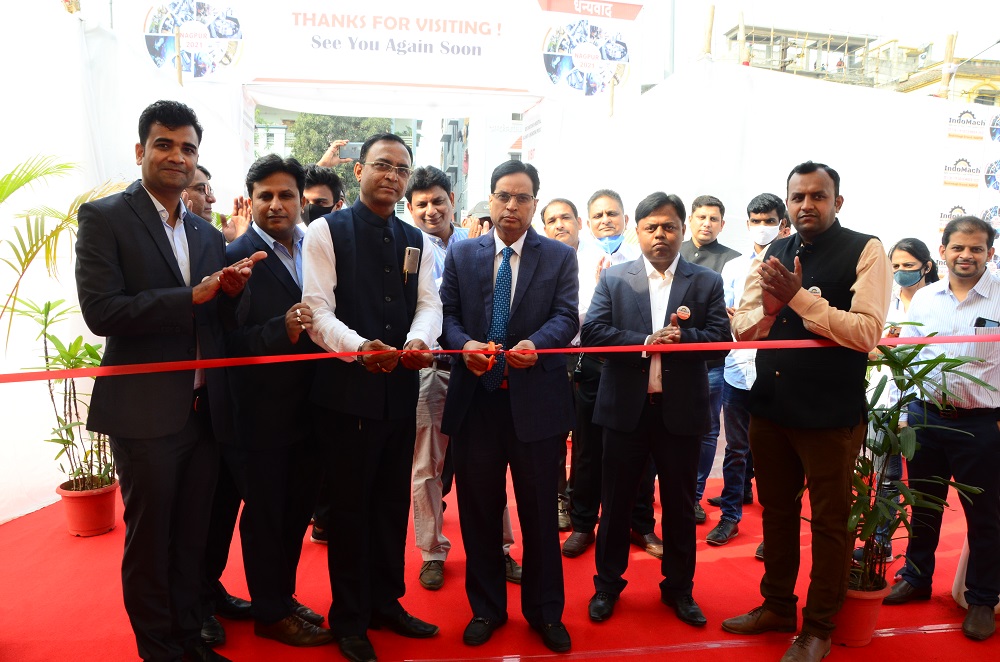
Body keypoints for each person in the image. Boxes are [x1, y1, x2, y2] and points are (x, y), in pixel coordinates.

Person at [75, 100, 264, 662]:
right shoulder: (105, 217)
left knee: (191, 540)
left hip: (204, 412)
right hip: (146, 414)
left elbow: (220, 319)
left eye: (188, 148)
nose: (177, 156)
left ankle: (189, 639)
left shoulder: (205, 231)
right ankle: (159, 650)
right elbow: (102, 312)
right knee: (151, 541)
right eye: (164, 144)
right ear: (141, 150)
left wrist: (230, 295)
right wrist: (191, 296)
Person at [722, 161, 890, 662]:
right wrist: (771, 312)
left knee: (830, 524)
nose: (806, 205)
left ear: (838, 202)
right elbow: (742, 329)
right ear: (788, 203)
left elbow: (866, 332)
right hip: (770, 407)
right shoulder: (775, 251)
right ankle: (777, 606)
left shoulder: (866, 249)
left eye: (818, 196)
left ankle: (818, 628)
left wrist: (799, 300)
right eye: (798, 197)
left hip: (830, 414)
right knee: (775, 514)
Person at [302, 133, 442, 662]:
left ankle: (386, 603)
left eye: (401, 169)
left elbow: (428, 303)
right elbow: (316, 310)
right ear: (359, 170)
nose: (392, 176)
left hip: (400, 392)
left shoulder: (415, 238)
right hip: (345, 396)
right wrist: (359, 348)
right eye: (383, 165)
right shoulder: (326, 230)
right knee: (350, 511)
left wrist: (419, 340)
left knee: (389, 505)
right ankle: (350, 618)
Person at [439, 160, 578, 653]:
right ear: (491, 199)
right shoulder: (463, 253)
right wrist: (465, 345)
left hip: (535, 402)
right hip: (477, 403)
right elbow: (447, 316)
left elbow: (566, 316)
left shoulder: (558, 257)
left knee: (540, 514)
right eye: (503, 196)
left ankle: (545, 611)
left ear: (535, 203)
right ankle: (486, 609)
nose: (511, 206)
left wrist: (538, 344)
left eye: (522, 197)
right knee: (479, 512)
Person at [582, 191, 730, 626]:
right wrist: (645, 342)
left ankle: (679, 590)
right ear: (638, 231)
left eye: (669, 226)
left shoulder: (705, 281)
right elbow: (592, 334)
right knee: (616, 504)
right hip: (625, 411)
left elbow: (721, 342)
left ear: (683, 230)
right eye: (651, 227)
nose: (660, 235)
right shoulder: (615, 278)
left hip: (680, 412)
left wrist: (684, 339)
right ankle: (607, 586)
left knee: (680, 507)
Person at [224, 154, 333, 647]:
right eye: (264, 195)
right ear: (250, 201)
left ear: (300, 200)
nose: (275, 204)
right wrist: (278, 330)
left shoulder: (316, 249)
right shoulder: (236, 256)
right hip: (260, 415)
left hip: (313, 409)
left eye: (286, 194)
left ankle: (282, 598)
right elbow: (225, 341)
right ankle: (269, 612)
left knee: (295, 512)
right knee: (266, 516)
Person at [404, 165, 522, 592]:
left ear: (452, 200)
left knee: (491, 465)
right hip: (433, 370)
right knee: (426, 467)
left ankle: (499, 549)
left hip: (480, 373)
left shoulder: (482, 245)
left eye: (438, 201)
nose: (431, 211)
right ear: (410, 208)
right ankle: (432, 552)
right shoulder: (406, 248)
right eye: (421, 204)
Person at [883, 216, 1000, 642]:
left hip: (982, 423)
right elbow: (910, 355)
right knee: (924, 505)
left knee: (985, 515)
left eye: (976, 248)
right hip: (926, 418)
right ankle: (916, 578)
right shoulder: (925, 298)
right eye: (958, 248)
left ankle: (983, 598)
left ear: (990, 252)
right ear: (943, 251)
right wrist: (906, 411)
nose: (966, 256)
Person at [560, 190, 662, 560]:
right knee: (587, 450)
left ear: (625, 220)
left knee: (640, 452)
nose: (606, 221)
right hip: (592, 365)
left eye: (613, 214)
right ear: (588, 223)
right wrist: (601, 292)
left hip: (635, 367)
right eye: (599, 215)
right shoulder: (574, 261)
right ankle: (583, 524)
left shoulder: (642, 259)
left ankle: (640, 523)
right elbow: (579, 321)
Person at [705, 194, 791, 547]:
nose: (762, 227)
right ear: (747, 223)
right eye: (756, 220)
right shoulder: (735, 267)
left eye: (769, 221)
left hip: (778, 373)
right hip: (737, 368)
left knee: (777, 452)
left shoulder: (793, 266)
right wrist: (738, 318)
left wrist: (746, 317)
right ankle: (730, 515)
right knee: (737, 448)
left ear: (783, 225)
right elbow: (724, 315)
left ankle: (775, 531)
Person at [853, 237, 939, 562]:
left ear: (927, 267)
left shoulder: (937, 303)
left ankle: (917, 556)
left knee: (919, 483)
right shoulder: (883, 301)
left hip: (920, 400)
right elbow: (866, 343)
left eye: (909, 265)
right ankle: (880, 542)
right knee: (885, 476)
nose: (901, 272)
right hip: (880, 398)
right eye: (896, 266)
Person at [679, 195, 741, 525]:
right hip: (672, 359)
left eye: (713, 218)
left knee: (707, 430)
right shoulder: (673, 253)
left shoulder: (733, 261)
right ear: (690, 220)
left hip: (711, 362)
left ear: (722, 224)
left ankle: (694, 495)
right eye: (701, 217)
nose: (707, 223)